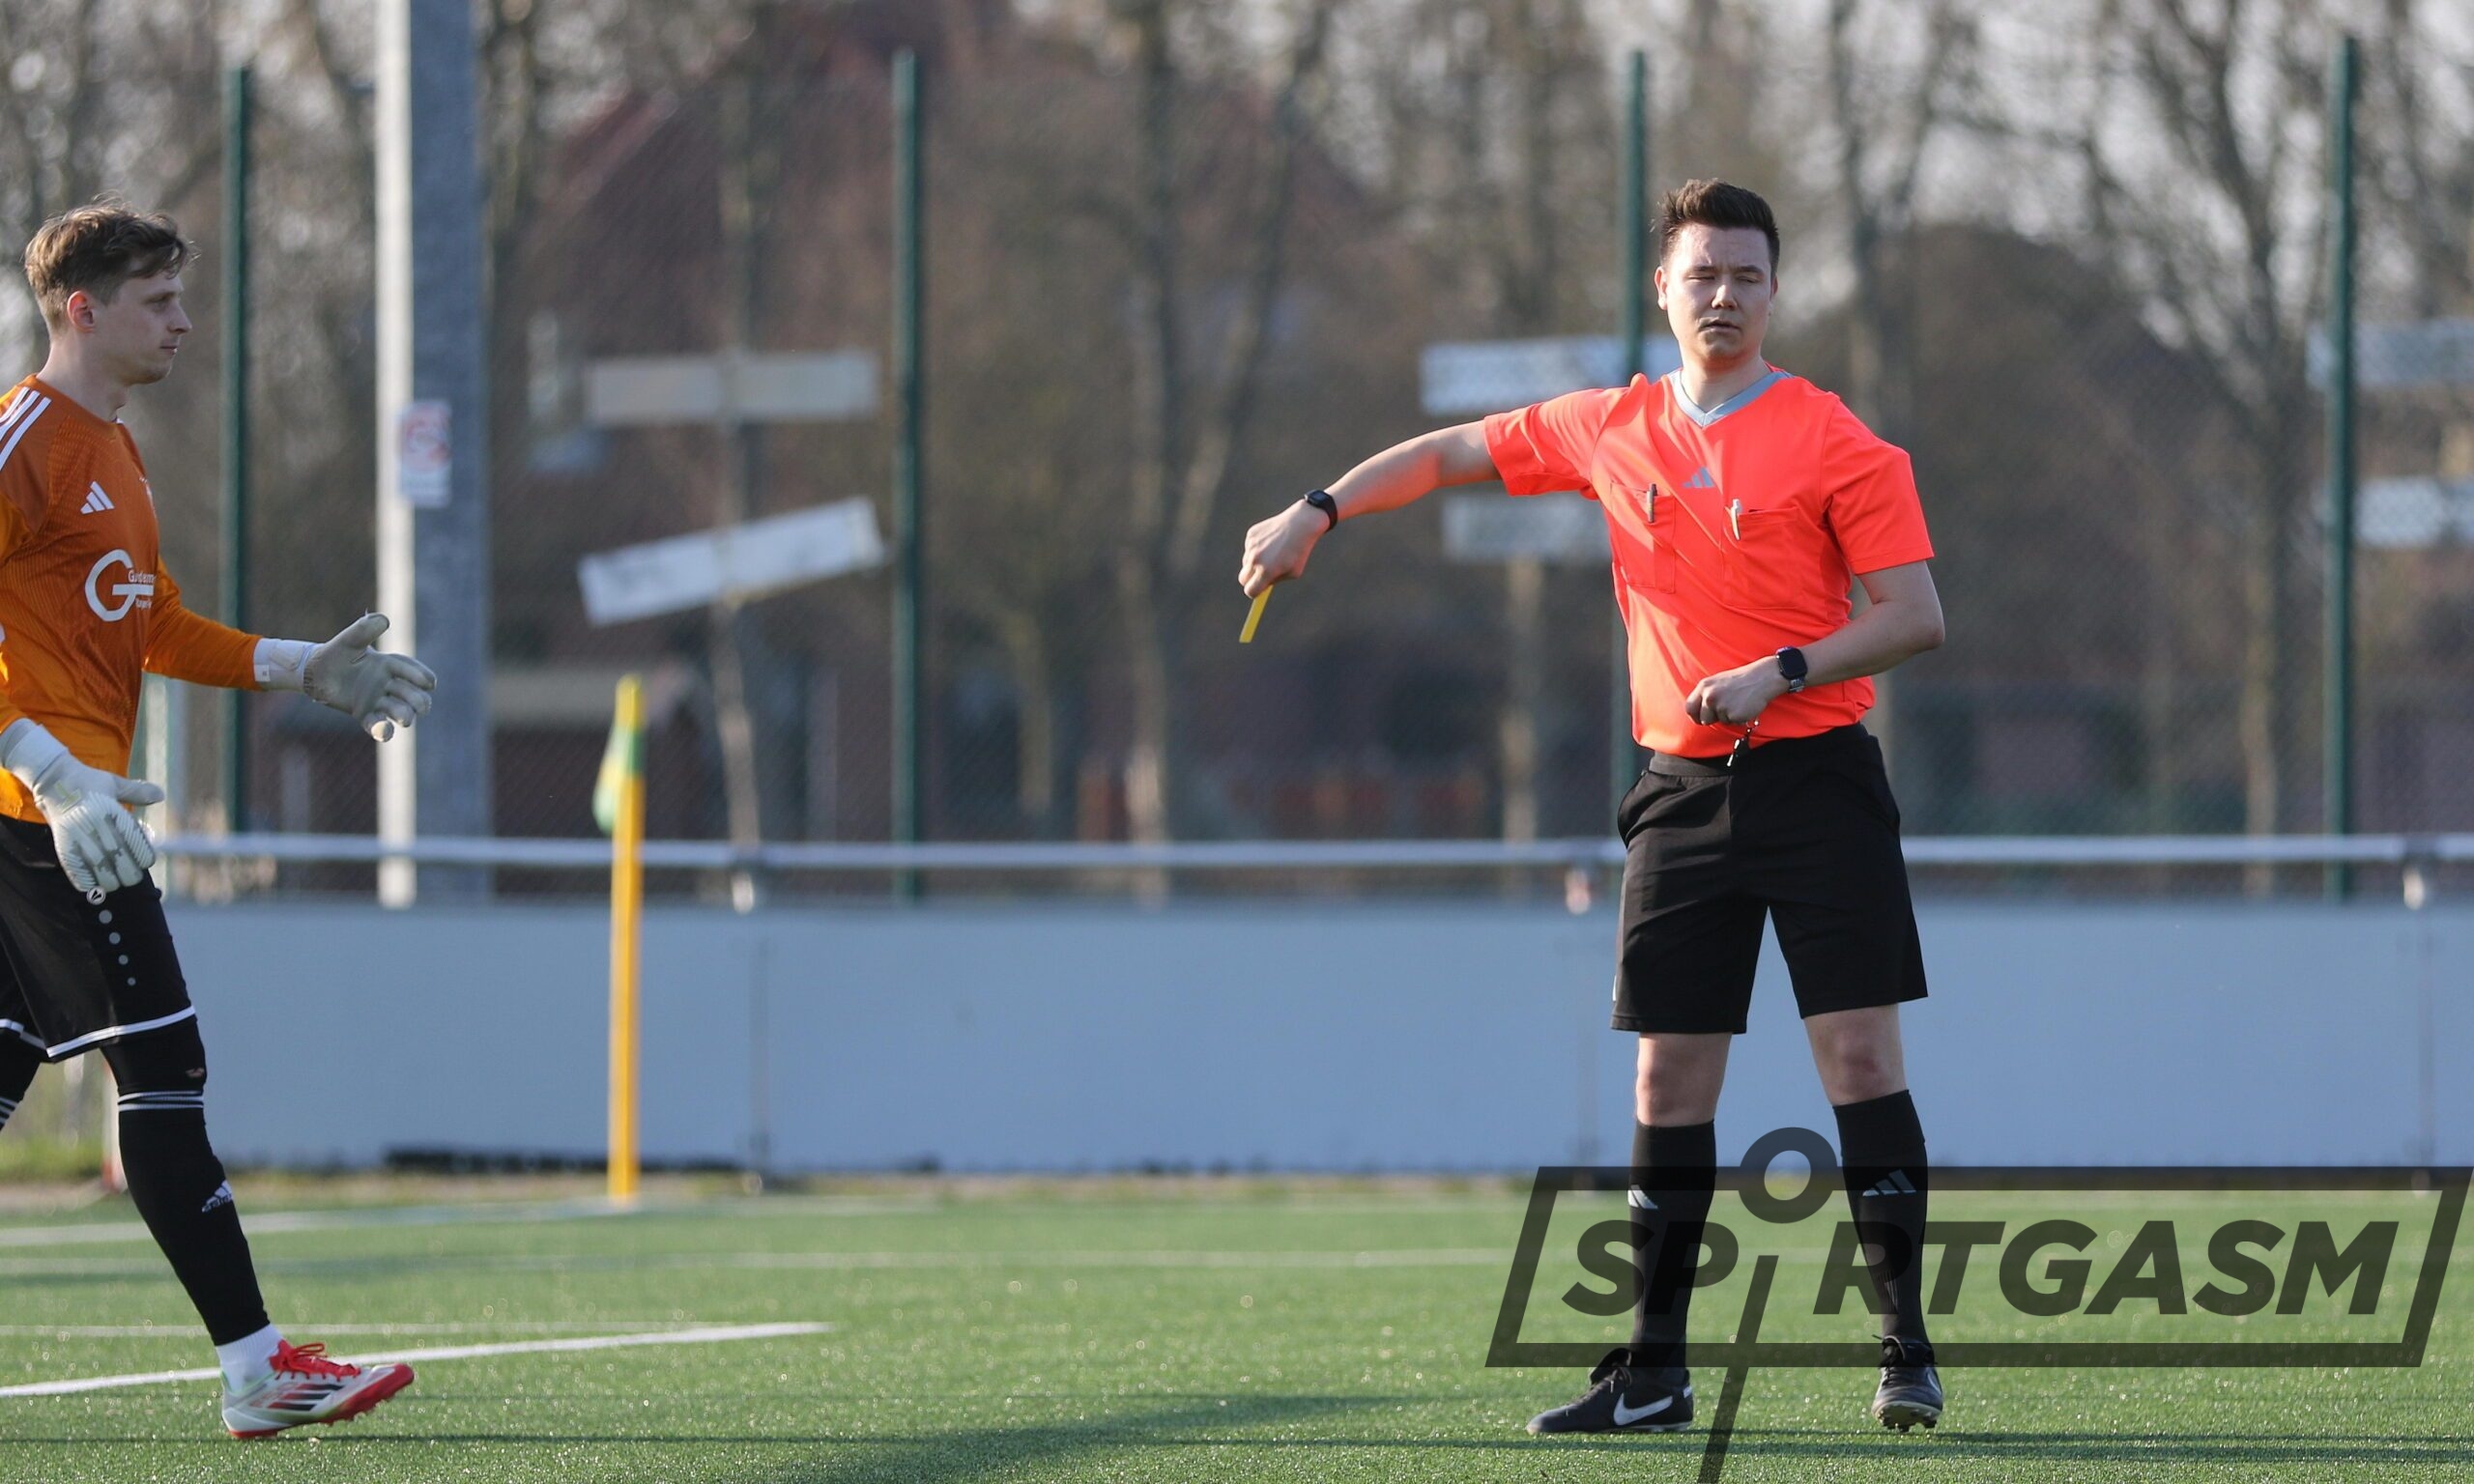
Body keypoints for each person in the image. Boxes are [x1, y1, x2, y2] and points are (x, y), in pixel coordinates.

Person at [1239, 180, 1947, 1435]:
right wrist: (1319, 508)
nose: (1723, 295)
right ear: (1661, 290)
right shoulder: (1610, 425)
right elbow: (1449, 453)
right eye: (1702, 274)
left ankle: (1905, 1353)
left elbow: (1914, 616)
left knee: (1858, 1060)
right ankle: (1654, 1372)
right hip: (1679, 793)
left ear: (1774, 293)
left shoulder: (1836, 439)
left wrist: (1781, 671)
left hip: (1820, 783)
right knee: (1666, 1084)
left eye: (1745, 275)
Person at [0, 203, 438, 1438]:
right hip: (51, 821)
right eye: (158, 301)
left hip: (60, 811)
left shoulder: (114, 447)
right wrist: (48, 770)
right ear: (82, 310)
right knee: (164, 1070)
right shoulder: (26, 438)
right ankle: (257, 1370)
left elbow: (152, 623)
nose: (184, 322)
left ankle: (259, 1371)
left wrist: (305, 668)